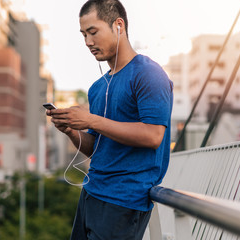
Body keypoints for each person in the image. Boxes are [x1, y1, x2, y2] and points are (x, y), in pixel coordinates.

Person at [46, 0, 173, 239]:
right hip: (91, 193)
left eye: (93, 32)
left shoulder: (149, 74)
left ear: (118, 25)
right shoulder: (97, 88)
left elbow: (153, 136)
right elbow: (97, 149)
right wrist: (71, 131)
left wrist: (91, 120)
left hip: (124, 200)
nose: (88, 42)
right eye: (83, 35)